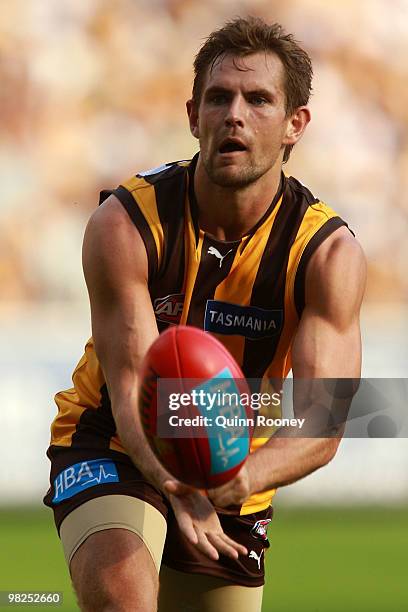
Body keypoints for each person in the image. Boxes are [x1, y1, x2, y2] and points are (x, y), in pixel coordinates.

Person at [44, 16, 366, 612]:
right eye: (219, 98)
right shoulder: (124, 225)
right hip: (115, 439)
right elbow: (137, 384)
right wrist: (177, 487)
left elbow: (323, 419)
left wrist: (234, 481)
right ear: (193, 116)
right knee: (124, 602)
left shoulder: (328, 255)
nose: (235, 114)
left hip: (233, 469)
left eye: (259, 99)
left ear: (296, 124)